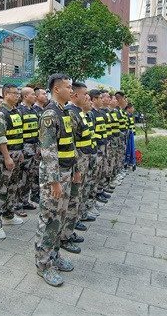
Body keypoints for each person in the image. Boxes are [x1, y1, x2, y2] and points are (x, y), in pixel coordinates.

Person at [34, 73, 76, 287]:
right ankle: (43, 264)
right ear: (56, 89)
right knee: (49, 218)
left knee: (60, 217)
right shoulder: (50, 114)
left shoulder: (64, 112)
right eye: (68, 87)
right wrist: (54, 181)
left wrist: (74, 169)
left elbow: (68, 145)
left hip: (66, 173)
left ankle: (54, 256)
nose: (71, 90)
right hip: (55, 177)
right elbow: (48, 151)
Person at [0, 84, 25, 239]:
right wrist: (7, 156)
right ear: (5, 94)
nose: (17, 96)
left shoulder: (16, 112)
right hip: (6, 158)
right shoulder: (1, 114)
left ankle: (8, 215)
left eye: (18, 93)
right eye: (14, 93)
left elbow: (18, 134)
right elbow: (0, 138)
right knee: (0, 190)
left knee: (12, 187)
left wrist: (20, 152)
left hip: (17, 155)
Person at [61, 82, 92, 254]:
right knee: (72, 200)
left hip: (81, 160)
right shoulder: (72, 113)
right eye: (85, 94)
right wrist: (76, 167)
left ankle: (68, 232)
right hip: (75, 162)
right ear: (76, 96)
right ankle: (65, 236)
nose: (87, 97)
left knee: (76, 198)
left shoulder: (79, 113)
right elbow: (70, 143)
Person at [17, 87, 39, 212]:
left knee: (30, 177)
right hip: (25, 149)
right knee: (21, 178)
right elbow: (18, 133)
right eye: (32, 94)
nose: (35, 96)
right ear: (25, 96)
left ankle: (25, 200)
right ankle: (17, 203)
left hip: (34, 149)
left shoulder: (34, 111)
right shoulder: (20, 111)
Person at [124, 102, 137, 171]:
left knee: (132, 148)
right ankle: (127, 162)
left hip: (131, 134)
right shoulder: (126, 115)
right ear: (128, 108)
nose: (133, 109)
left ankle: (131, 162)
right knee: (128, 149)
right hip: (128, 135)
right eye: (132, 108)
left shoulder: (130, 116)